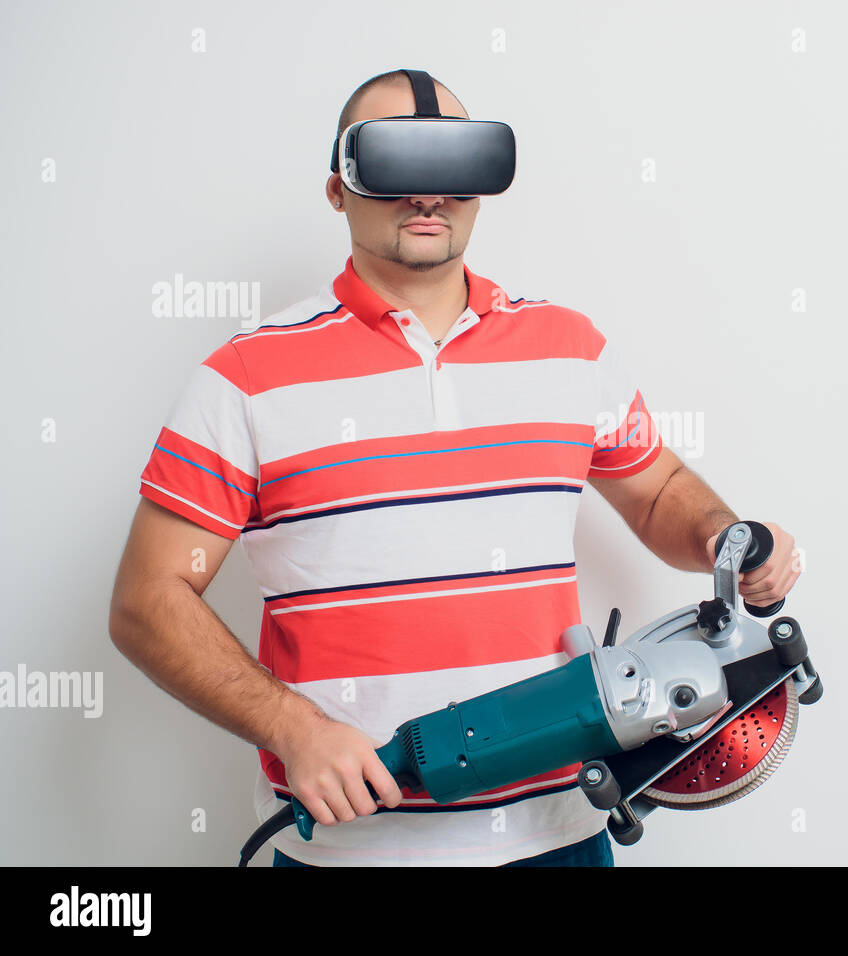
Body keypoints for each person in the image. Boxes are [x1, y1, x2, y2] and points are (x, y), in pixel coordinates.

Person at [108, 69, 802, 866]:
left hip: (562, 835)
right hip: (355, 849)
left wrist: (729, 537)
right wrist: (291, 727)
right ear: (339, 189)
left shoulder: (569, 350)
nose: (427, 194)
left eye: (454, 164)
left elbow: (659, 496)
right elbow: (147, 600)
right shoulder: (246, 378)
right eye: (397, 164)